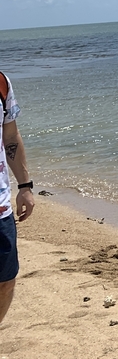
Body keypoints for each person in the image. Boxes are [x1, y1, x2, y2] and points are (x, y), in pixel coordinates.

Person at [1, 70, 35, 325]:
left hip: (0, 207)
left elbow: (10, 136)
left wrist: (24, 186)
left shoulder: (1, 83)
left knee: (5, 280)